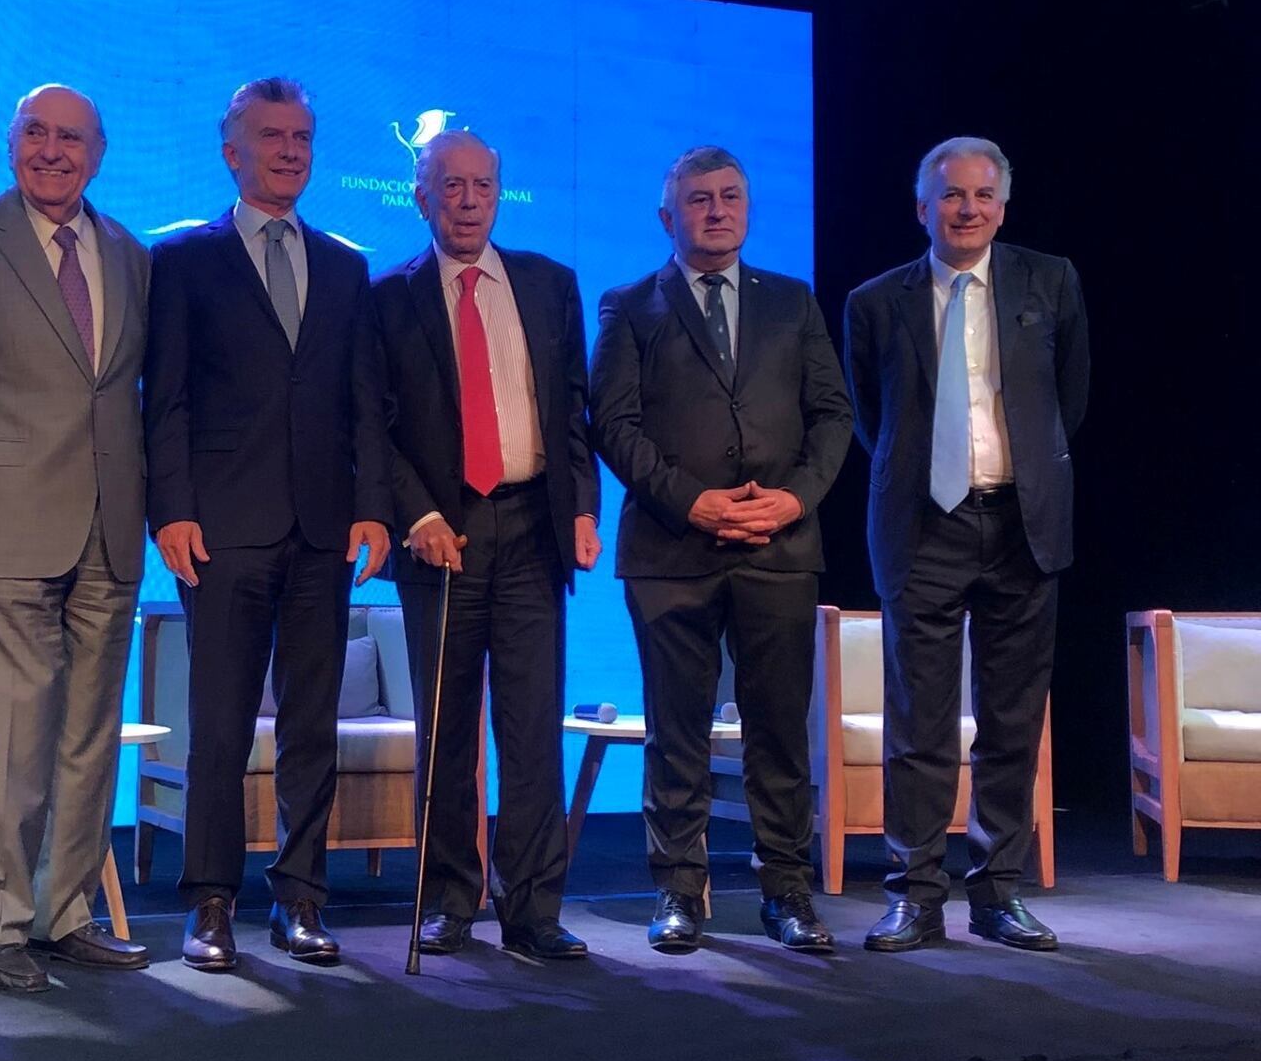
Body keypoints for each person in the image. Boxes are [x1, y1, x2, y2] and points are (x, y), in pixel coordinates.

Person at [0, 84, 152, 993]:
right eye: (37, 134)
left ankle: (65, 912)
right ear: (10, 144)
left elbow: (123, 394)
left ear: (99, 151)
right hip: (0, 519)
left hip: (109, 525)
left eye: (73, 138)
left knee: (88, 734)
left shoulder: (129, 251)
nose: (54, 152)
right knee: (5, 737)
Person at [144, 78, 391, 972]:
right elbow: (162, 399)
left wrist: (372, 506)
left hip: (324, 528)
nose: (290, 151)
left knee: (310, 725)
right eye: (272, 135)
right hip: (221, 528)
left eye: (303, 137)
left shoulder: (345, 265)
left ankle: (301, 899)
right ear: (231, 150)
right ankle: (210, 902)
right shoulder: (181, 261)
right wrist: (168, 509)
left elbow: (365, 400)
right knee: (217, 725)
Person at [588, 146, 851, 954]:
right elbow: (613, 425)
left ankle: (787, 893)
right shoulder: (630, 306)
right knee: (678, 729)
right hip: (672, 551)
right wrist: (691, 501)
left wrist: (794, 498)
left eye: (730, 196)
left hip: (778, 546)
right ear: (668, 216)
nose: (716, 210)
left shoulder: (794, 302)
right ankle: (677, 890)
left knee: (778, 728)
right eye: (698, 199)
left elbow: (832, 415)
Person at [844, 136, 1088, 953]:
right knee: (919, 722)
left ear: (1003, 207)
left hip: (1023, 524)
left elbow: (1069, 401)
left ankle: (997, 893)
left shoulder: (1049, 281)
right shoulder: (876, 301)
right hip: (924, 525)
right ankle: (915, 895)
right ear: (924, 208)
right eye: (952, 195)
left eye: (984, 195)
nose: (969, 208)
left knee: (1013, 722)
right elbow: (871, 421)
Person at [370, 129, 601, 963]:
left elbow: (571, 413)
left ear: (499, 193)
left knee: (533, 728)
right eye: (451, 186)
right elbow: (375, 428)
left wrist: (580, 506)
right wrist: (417, 513)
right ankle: (447, 902)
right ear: (421, 194)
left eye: (482, 186)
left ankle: (533, 909)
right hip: (442, 535)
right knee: (447, 731)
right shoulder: (387, 296)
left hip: (532, 528)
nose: (468, 201)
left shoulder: (548, 285)